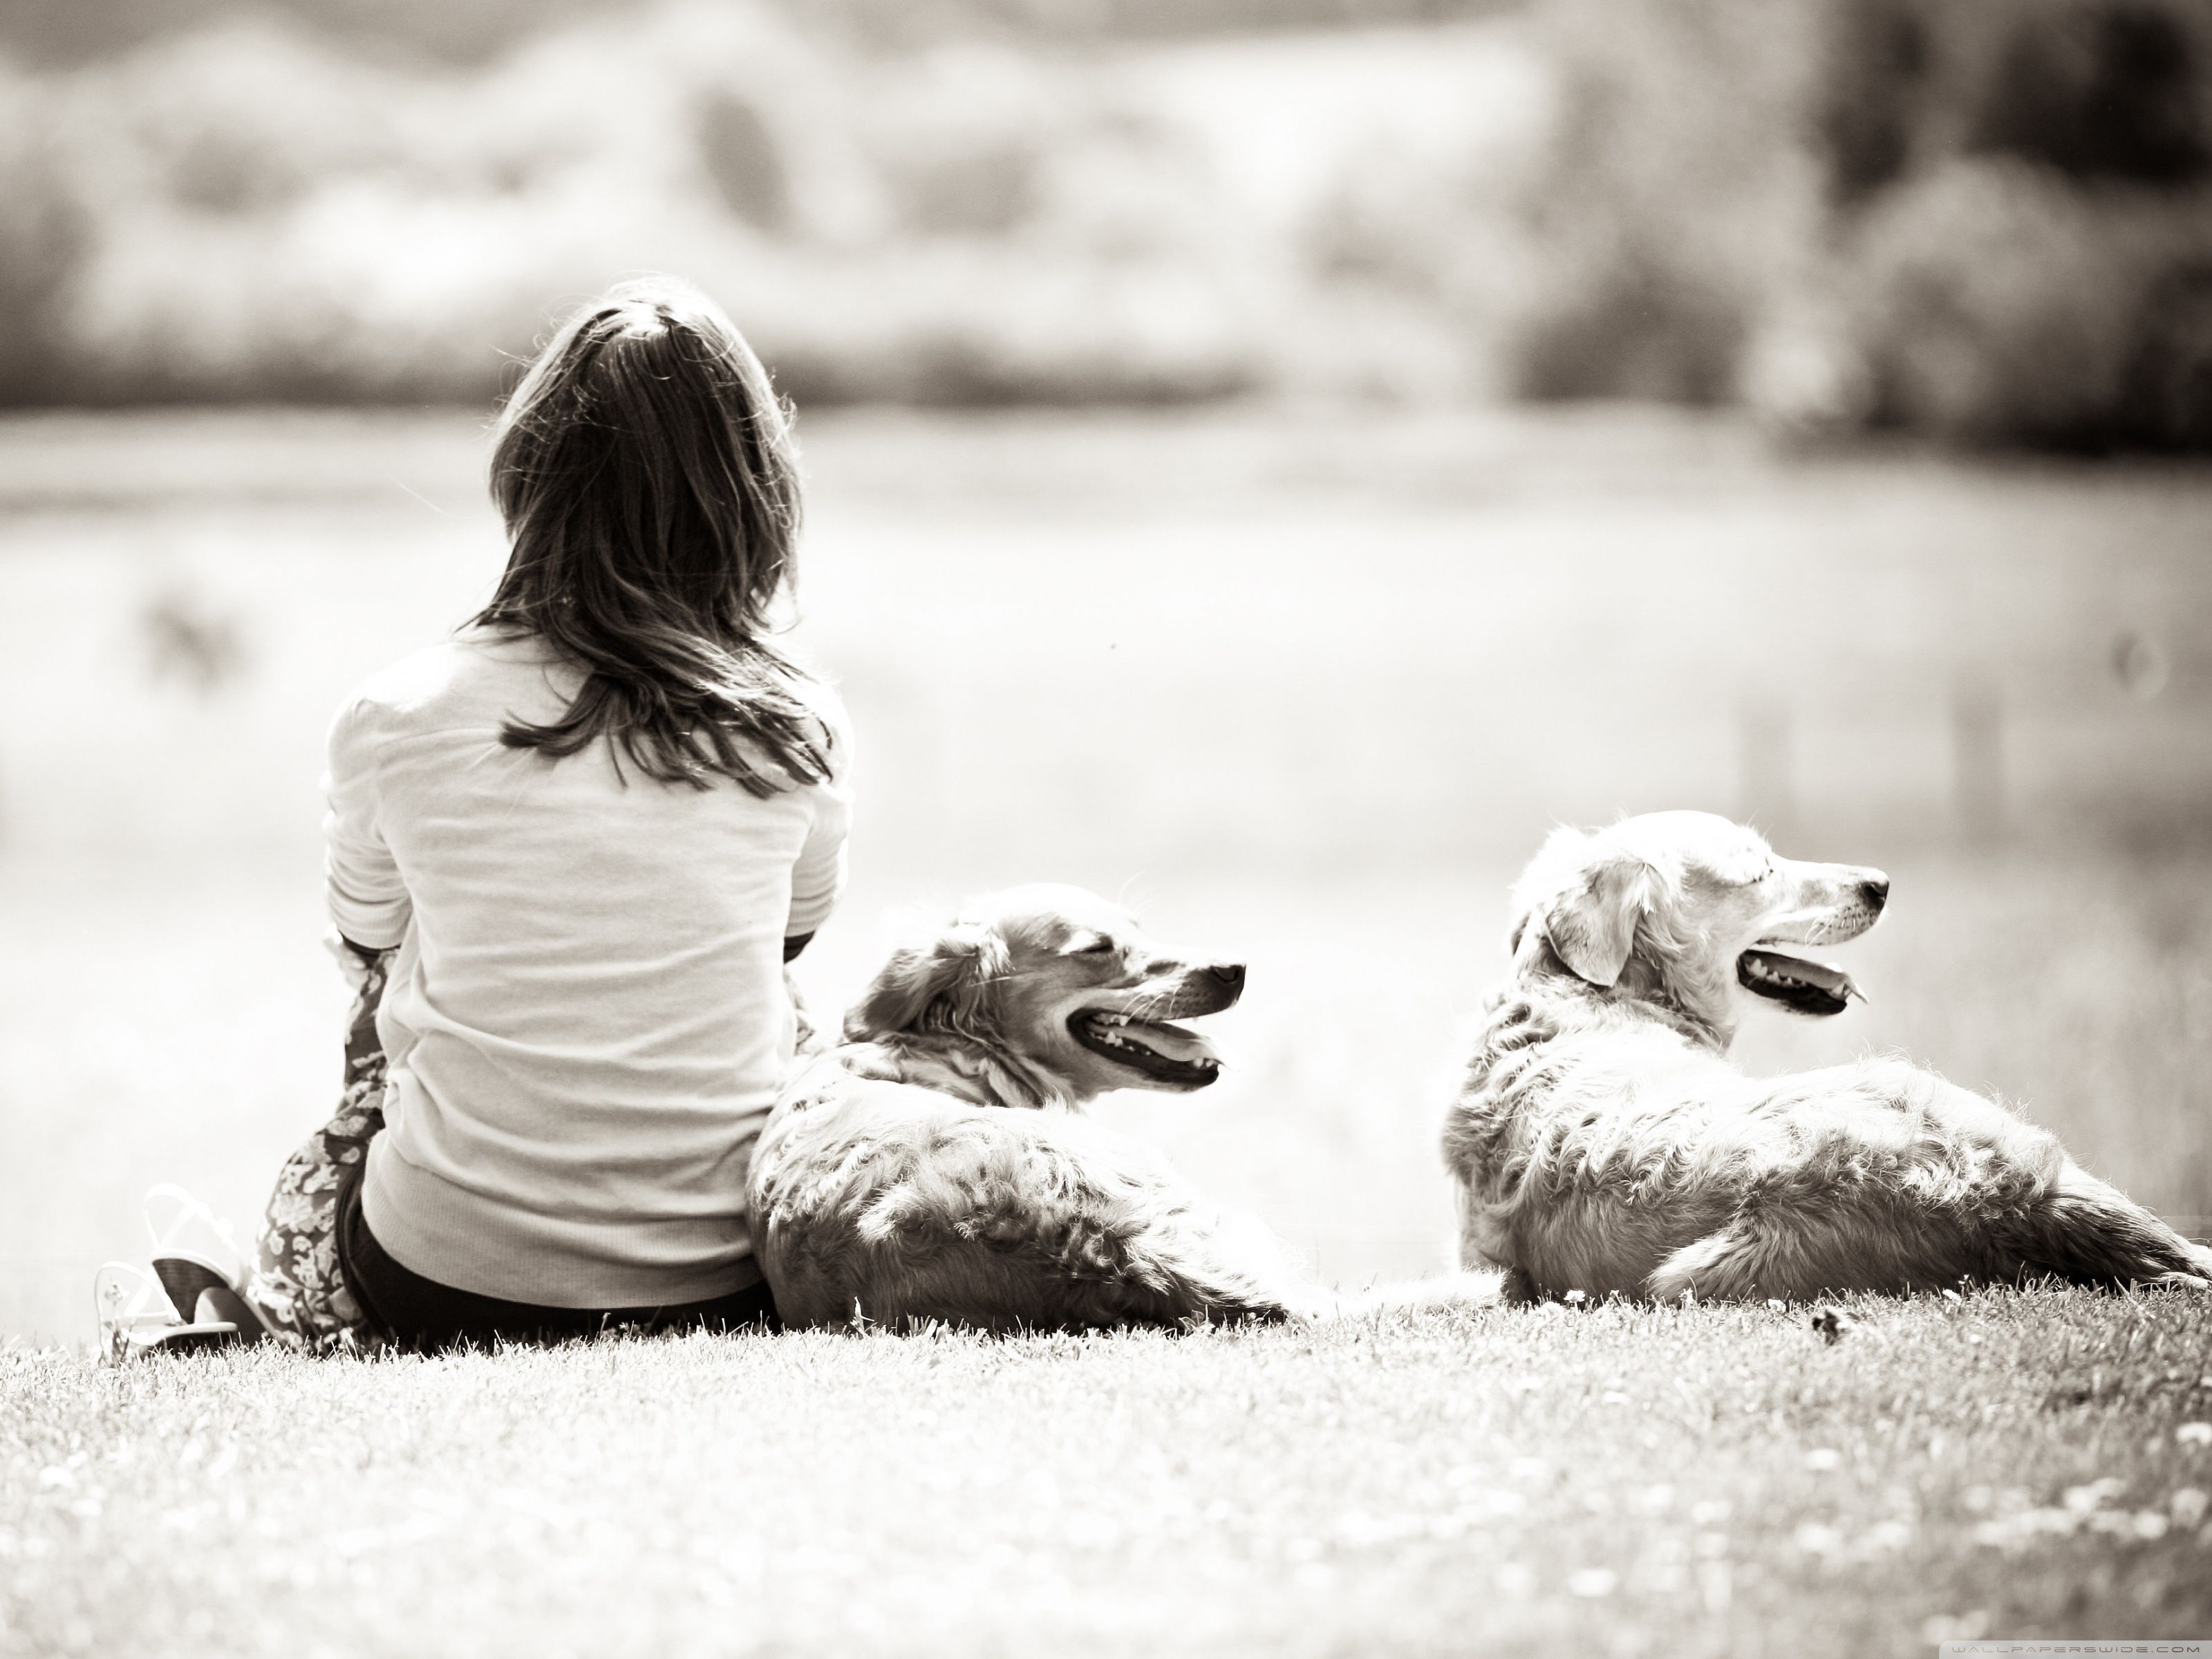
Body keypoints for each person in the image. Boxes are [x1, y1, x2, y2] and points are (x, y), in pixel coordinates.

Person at [177, 278, 850, 1353]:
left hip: (441, 1280)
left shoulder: (397, 711)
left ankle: (281, 1294)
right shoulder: (796, 721)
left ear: (528, 471)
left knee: (395, 993)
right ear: (755, 492)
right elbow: (786, 940)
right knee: (787, 1002)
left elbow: (367, 944)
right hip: (727, 1281)